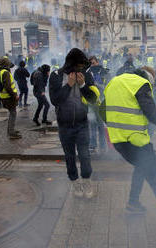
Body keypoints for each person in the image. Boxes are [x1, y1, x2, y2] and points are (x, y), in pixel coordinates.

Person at [100, 68, 156, 230]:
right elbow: (151, 112)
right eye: (151, 84)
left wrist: (116, 126)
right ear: (147, 78)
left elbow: (102, 111)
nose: (151, 87)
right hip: (137, 142)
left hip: (119, 141)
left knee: (141, 167)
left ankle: (133, 203)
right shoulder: (140, 83)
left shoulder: (114, 83)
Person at [49, 48, 99, 198]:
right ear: (71, 64)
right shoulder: (56, 75)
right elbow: (55, 100)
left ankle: (87, 182)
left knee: (85, 155)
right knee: (69, 156)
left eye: (82, 67)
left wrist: (83, 85)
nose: (80, 70)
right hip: (64, 125)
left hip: (82, 123)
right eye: (78, 66)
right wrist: (68, 85)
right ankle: (75, 183)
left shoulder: (87, 75)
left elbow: (92, 99)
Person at [88, 56, 109, 153]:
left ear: (97, 62)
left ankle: (103, 146)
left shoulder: (104, 72)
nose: (92, 65)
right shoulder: (88, 73)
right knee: (92, 125)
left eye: (93, 62)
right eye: (90, 63)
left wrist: (97, 85)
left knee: (101, 125)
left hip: (101, 102)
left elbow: (108, 86)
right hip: (91, 103)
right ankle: (92, 145)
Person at [0, 57, 21, 139]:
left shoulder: (1, 71)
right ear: (6, 64)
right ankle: (11, 132)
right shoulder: (5, 73)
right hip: (9, 97)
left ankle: (10, 130)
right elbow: (8, 86)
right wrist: (15, 95)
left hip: (4, 96)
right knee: (13, 114)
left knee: (12, 113)